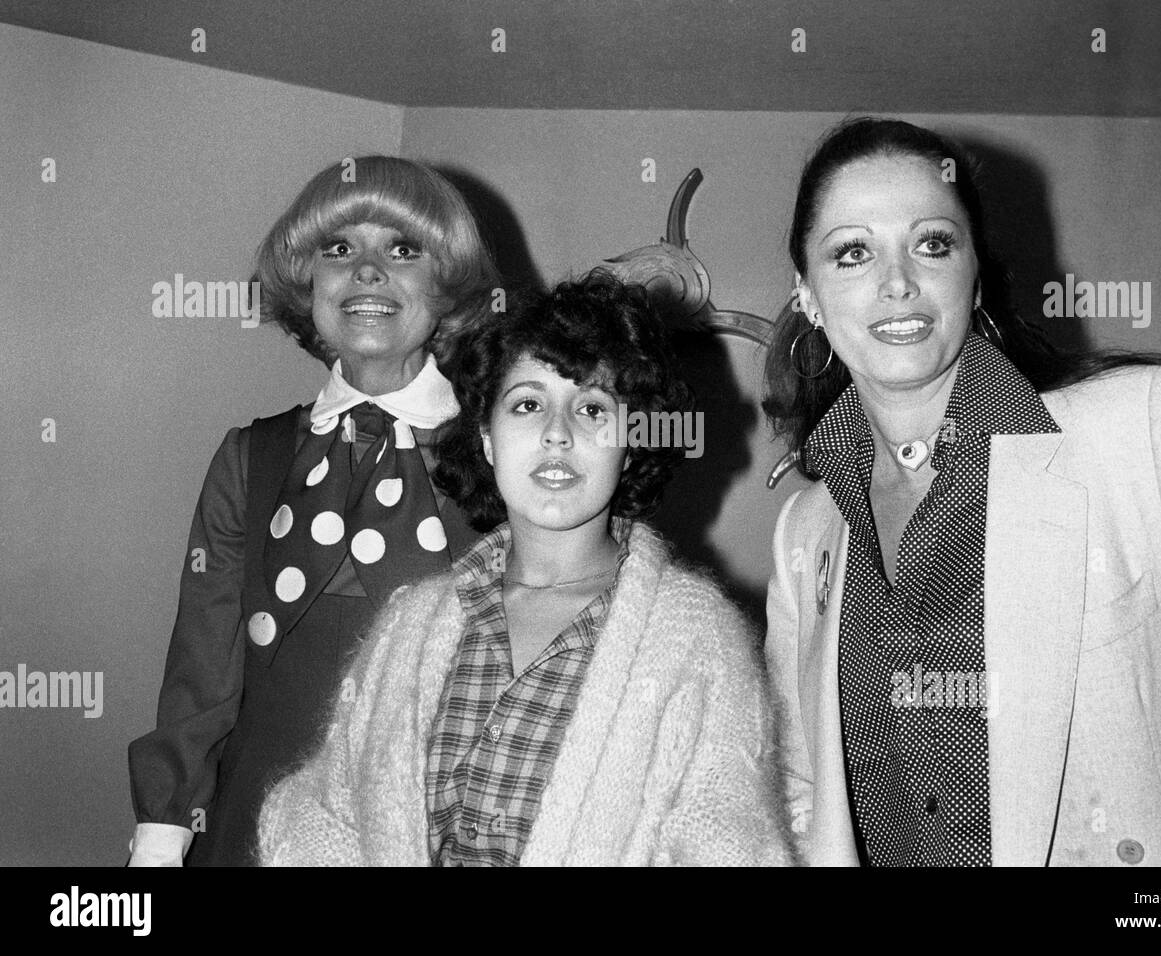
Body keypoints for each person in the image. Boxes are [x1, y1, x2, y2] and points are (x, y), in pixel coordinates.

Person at [762, 117, 1161, 866]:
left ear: (974, 275)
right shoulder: (805, 534)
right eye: (852, 253)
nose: (897, 283)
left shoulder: (1144, 429)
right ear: (809, 296)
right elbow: (800, 791)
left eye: (932, 243)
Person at [258, 271, 793, 866]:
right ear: (487, 437)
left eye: (592, 408)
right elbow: (326, 814)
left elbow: (729, 845)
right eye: (528, 404)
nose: (557, 435)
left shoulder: (697, 639)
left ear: (632, 442)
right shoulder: (411, 625)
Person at [127, 157, 501, 866]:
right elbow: (202, 670)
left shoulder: (502, 454)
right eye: (338, 249)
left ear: (446, 285)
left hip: (431, 825)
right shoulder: (250, 457)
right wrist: (162, 834)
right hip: (252, 825)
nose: (366, 271)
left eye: (402, 249)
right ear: (306, 284)